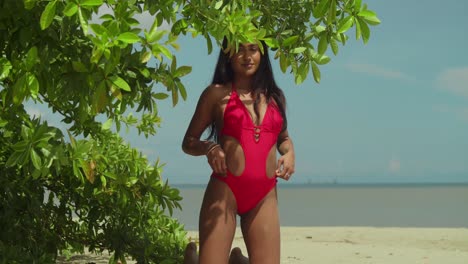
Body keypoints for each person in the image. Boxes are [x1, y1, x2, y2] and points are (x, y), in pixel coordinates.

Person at [181, 38, 295, 264]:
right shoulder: (216, 94)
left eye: (253, 49)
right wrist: (210, 147)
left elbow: (283, 138)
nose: (247, 56)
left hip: (264, 195)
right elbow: (189, 141)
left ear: (262, 54)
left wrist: (290, 152)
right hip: (226, 189)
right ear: (228, 55)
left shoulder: (275, 97)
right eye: (239, 50)